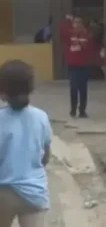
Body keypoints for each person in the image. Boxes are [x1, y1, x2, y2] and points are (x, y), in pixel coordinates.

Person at [0, 60, 52, 227]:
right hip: (34, 193)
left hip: (3, 193)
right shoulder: (41, 117)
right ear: (31, 88)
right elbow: (45, 158)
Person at [60, 15, 93, 119]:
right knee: (73, 88)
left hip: (83, 65)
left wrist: (79, 36)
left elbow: (85, 46)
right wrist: (67, 20)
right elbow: (62, 29)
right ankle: (73, 110)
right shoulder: (69, 35)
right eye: (75, 23)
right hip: (73, 65)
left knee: (83, 89)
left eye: (79, 23)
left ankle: (82, 111)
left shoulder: (85, 35)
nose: (76, 25)